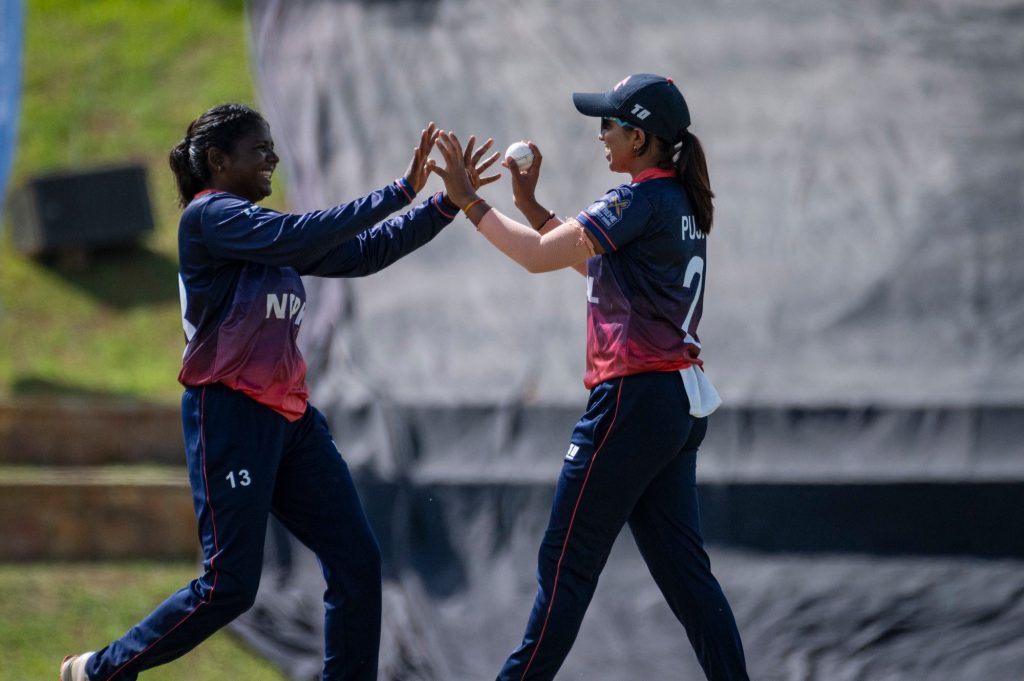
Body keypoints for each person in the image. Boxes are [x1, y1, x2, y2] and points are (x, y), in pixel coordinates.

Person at [59, 103, 499, 681]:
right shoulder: (210, 216)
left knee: (356, 561)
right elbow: (299, 233)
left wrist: (447, 204)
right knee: (229, 586)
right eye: (259, 149)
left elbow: (365, 253)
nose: (273, 158)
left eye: (271, 147)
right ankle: (101, 670)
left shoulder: (265, 236)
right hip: (230, 414)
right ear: (219, 161)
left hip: (291, 420)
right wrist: (399, 191)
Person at [428, 74, 750, 680]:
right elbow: (597, 267)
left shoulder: (636, 200)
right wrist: (530, 206)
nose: (600, 135)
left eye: (609, 124)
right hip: (674, 406)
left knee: (565, 567)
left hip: (632, 401)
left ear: (640, 137)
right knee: (688, 580)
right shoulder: (676, 200)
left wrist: (468, 200)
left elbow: (536, 258)